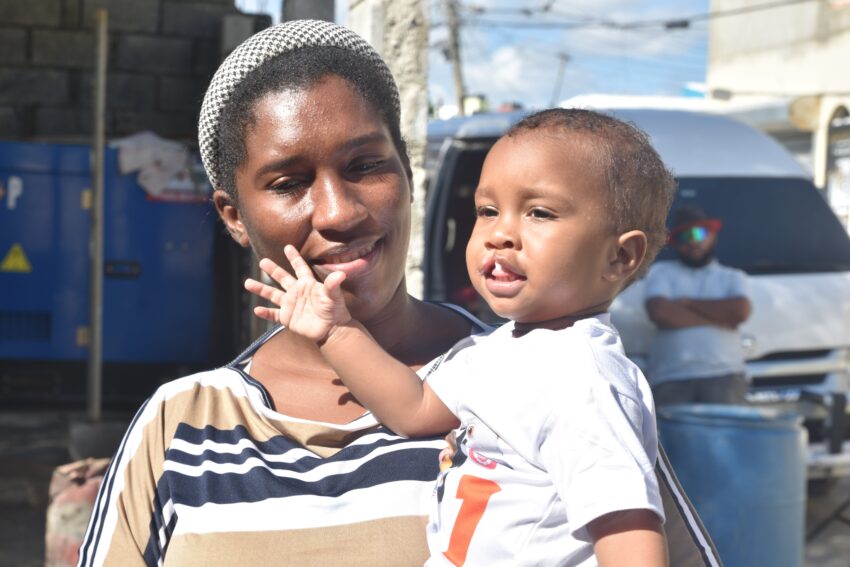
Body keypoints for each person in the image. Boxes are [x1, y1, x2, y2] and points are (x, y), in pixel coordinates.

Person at [77, 20, 721, 567]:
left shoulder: (556, 381)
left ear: (409, 174)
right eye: (288, 182)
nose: (338, 212)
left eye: (365, 166)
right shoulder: (181, 426)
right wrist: (337, 333)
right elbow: (411, 406)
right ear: (234, 216)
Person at [245, 108, 674, 566]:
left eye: (539, 213)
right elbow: (414, 409)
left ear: (619, 257)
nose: (500, 234)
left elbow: (630, 536)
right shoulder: (495, 350)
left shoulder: (583, 380)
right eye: (488, 211)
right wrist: (336, 331)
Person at [644, 206, 752, 406]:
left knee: (726, 427)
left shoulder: (733, 276)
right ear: (676, 243)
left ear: (713, 237)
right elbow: (660, 313)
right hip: (671, 377)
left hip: (725, 375)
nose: (693, 241)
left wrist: (688, 303)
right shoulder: (661, 272)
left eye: (699, 233)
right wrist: (718, 319)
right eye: (684, 236)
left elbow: (739, 312)